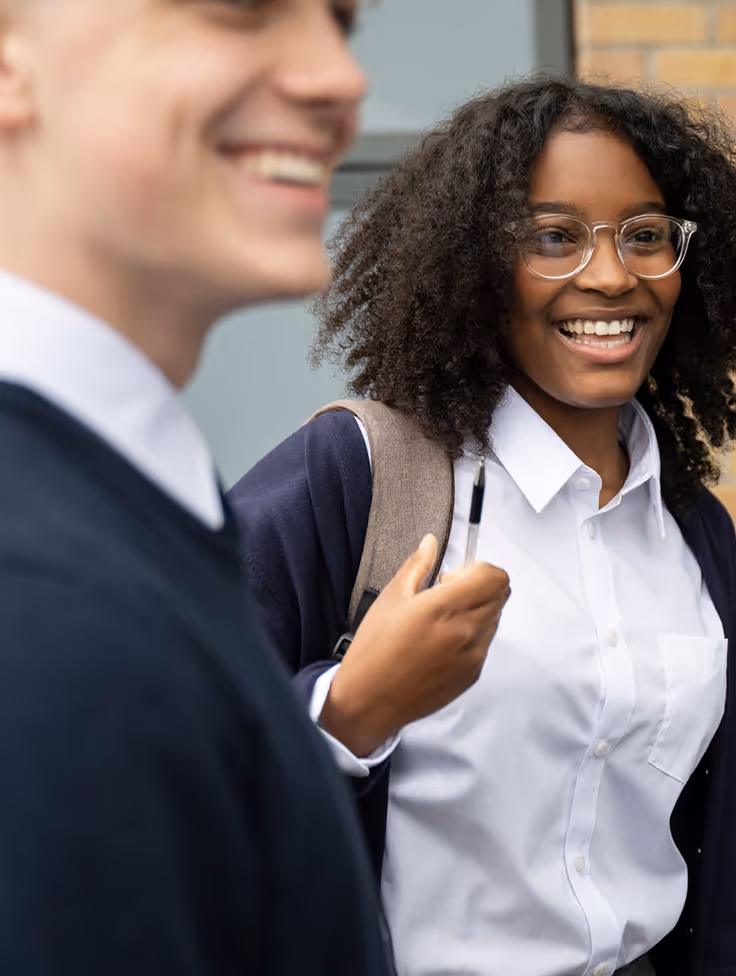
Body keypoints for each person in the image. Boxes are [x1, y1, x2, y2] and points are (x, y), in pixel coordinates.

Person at [228, 78, 736, 976]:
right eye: (554, 238)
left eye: (646, 235)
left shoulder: (691, 528)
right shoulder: (357, 479)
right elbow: (155, 746)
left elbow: (727, 857)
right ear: (476, 263)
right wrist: (350, 710)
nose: (612, 275)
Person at [0, 0, 396, 973]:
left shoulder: (130, 503)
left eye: (341, 18)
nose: (339, 78)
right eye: (239, 8)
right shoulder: (42, 604)